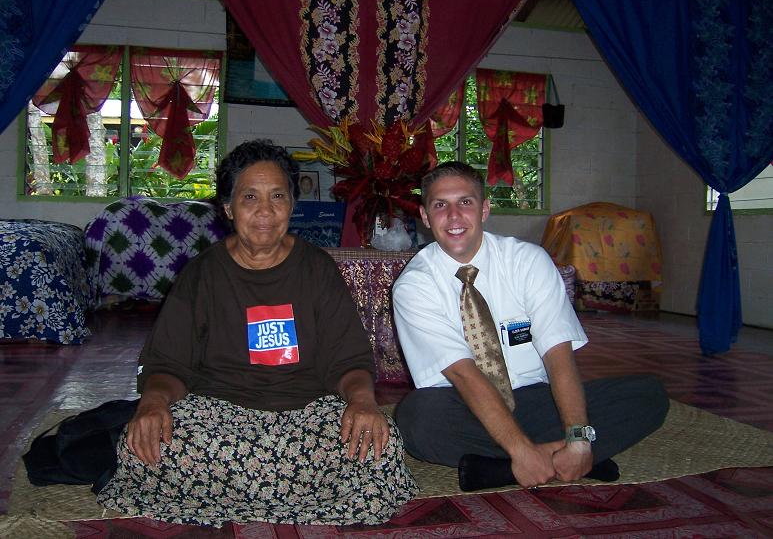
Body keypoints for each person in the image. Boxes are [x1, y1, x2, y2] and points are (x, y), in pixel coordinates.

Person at [97, 140, 417, 527]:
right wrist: (152, 405)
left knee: (382, 447)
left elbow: (348, 359)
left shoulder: (317, 269)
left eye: (278, 196)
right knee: (141, 447)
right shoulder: (203, 273)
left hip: (307, 414)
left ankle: (231, 496)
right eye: (250, 197)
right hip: (218, 418)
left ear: (292, 205)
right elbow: (168, 363)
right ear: (229, 208)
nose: (265, 211)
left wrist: (363, 402)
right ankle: (293, 496)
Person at [392, 161, 669, 489]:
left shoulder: (528, 261)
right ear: (425, 217)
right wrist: (520, 449)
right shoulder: (414, 285)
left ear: (484, 209)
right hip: (464, 402)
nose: (453, 216)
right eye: (440, 205)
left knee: (649, 394)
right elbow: (463, 374)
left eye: (465, 202)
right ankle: (550, 459)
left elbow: (558, 354)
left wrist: (578, 436)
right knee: (415, 418)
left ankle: (504, 468)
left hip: (535, 397)